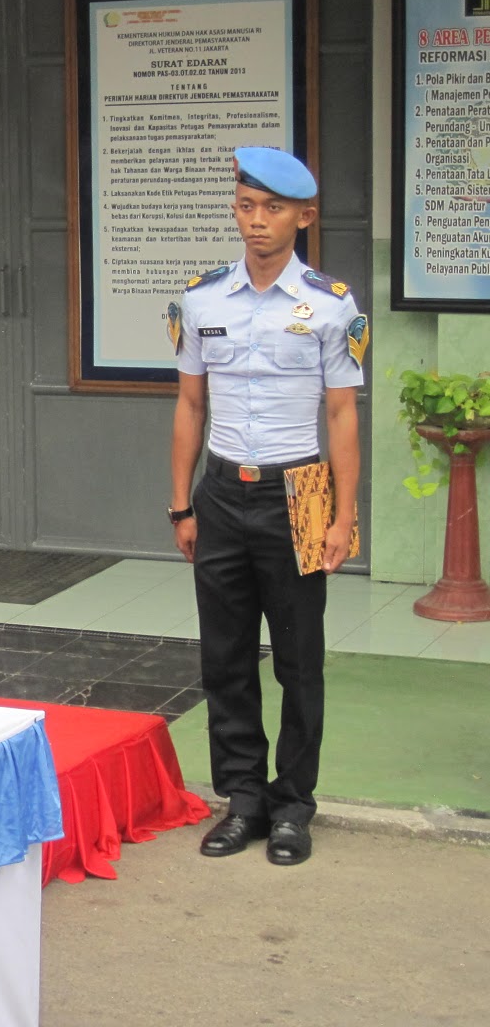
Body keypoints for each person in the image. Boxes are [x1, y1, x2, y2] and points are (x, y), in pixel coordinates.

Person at [169, 146, 366, 867]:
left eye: (274, 209)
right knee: (223, 656)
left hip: (302, 488)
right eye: (247, 207)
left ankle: (294, 805)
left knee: (298, 659)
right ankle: (243, 798)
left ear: (303, 217)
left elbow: (342, 417)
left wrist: (344, 517)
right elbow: (190, 404)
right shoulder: (202, 299)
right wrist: (179, 505)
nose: (258, 222)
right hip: (222, 489)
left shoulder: (331, 303)